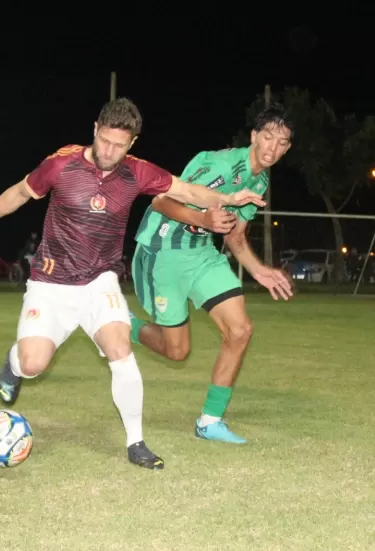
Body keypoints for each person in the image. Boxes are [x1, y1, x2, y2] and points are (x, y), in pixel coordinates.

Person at [0, 98, 265, 470]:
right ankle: (14, 365)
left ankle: (136, 442)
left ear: (132, 143)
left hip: (100, 281)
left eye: (119, 145)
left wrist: (227, 198)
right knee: (33, 364)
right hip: (51, 283)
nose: (109, 151)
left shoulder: (137, 172)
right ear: (95, 129)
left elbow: (187, 191)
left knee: (119, 348)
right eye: (105, 141)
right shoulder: (61, 164)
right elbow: (18, 193)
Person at [129, 105, 294, 444]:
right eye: (267, 137)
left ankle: (210, 421)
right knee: (176, 351)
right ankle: (120, 324)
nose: (272, 148)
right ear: (254, 136)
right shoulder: (220, 165)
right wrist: (203, 219)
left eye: (282, 143)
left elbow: (235, 236)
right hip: (163, 251)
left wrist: (259, 270)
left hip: (203, 255)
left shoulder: (260, 180)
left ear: (287, 148)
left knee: (240, 330)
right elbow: (160, 201)